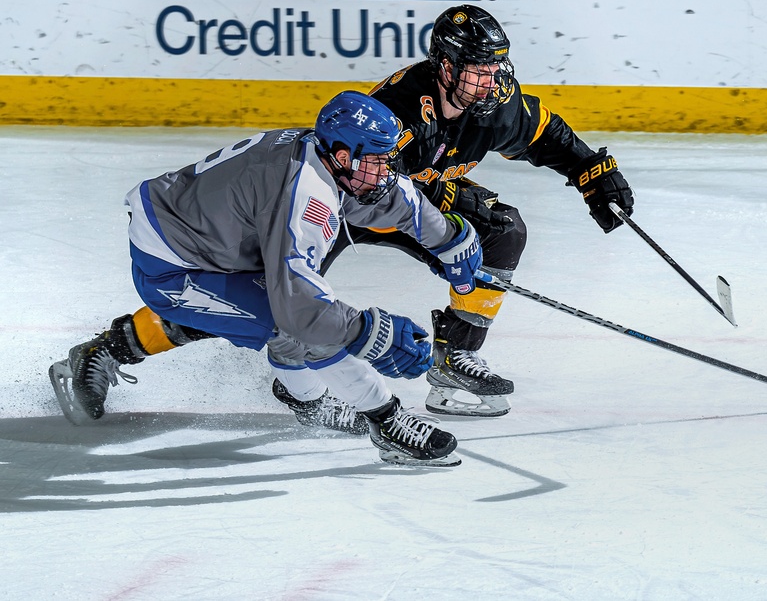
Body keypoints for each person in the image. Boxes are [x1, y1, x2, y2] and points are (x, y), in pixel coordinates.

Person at [48, 91, 484, 467]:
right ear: (343, 154)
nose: (384, 171)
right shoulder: (306, 194)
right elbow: (302, 313)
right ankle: (385, 422)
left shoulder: (324, 155)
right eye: (375, 160)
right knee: (292, 323)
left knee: (277, 318)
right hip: (174, 266)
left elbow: (397, 197)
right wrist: (371, 332)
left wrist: (448, 239)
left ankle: (307, 401)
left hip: (211, 237)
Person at [321, 4, 634, 418]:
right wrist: (444, 202)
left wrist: (589, 171)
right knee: (286, 283)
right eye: (479, 70)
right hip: (346, 203)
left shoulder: (494, 104)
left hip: (414, 199)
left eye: (496, 67)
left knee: (502, 230)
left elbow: (544, 134)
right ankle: (297, 372)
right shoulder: (402, 109)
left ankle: (456, 357)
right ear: (446, 67)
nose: (491, 80)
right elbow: (373, 188)